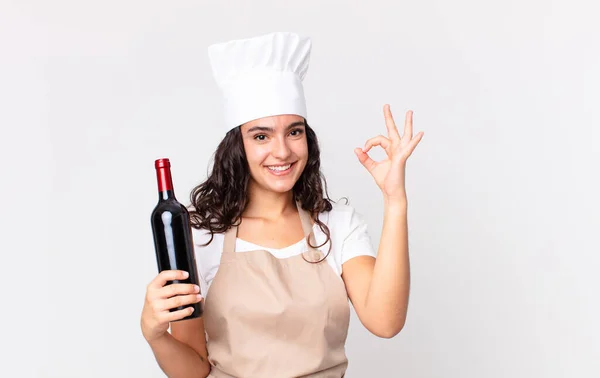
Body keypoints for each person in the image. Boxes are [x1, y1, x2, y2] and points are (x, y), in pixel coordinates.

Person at [141, 32, 424, 378]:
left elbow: (386, 321)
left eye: (294, 132)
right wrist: (155, 335)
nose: (282, 151)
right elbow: (194, 370)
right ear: (237, 146)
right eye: (261, 136)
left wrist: (395, 201)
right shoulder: (201, 235)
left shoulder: (338, 225)